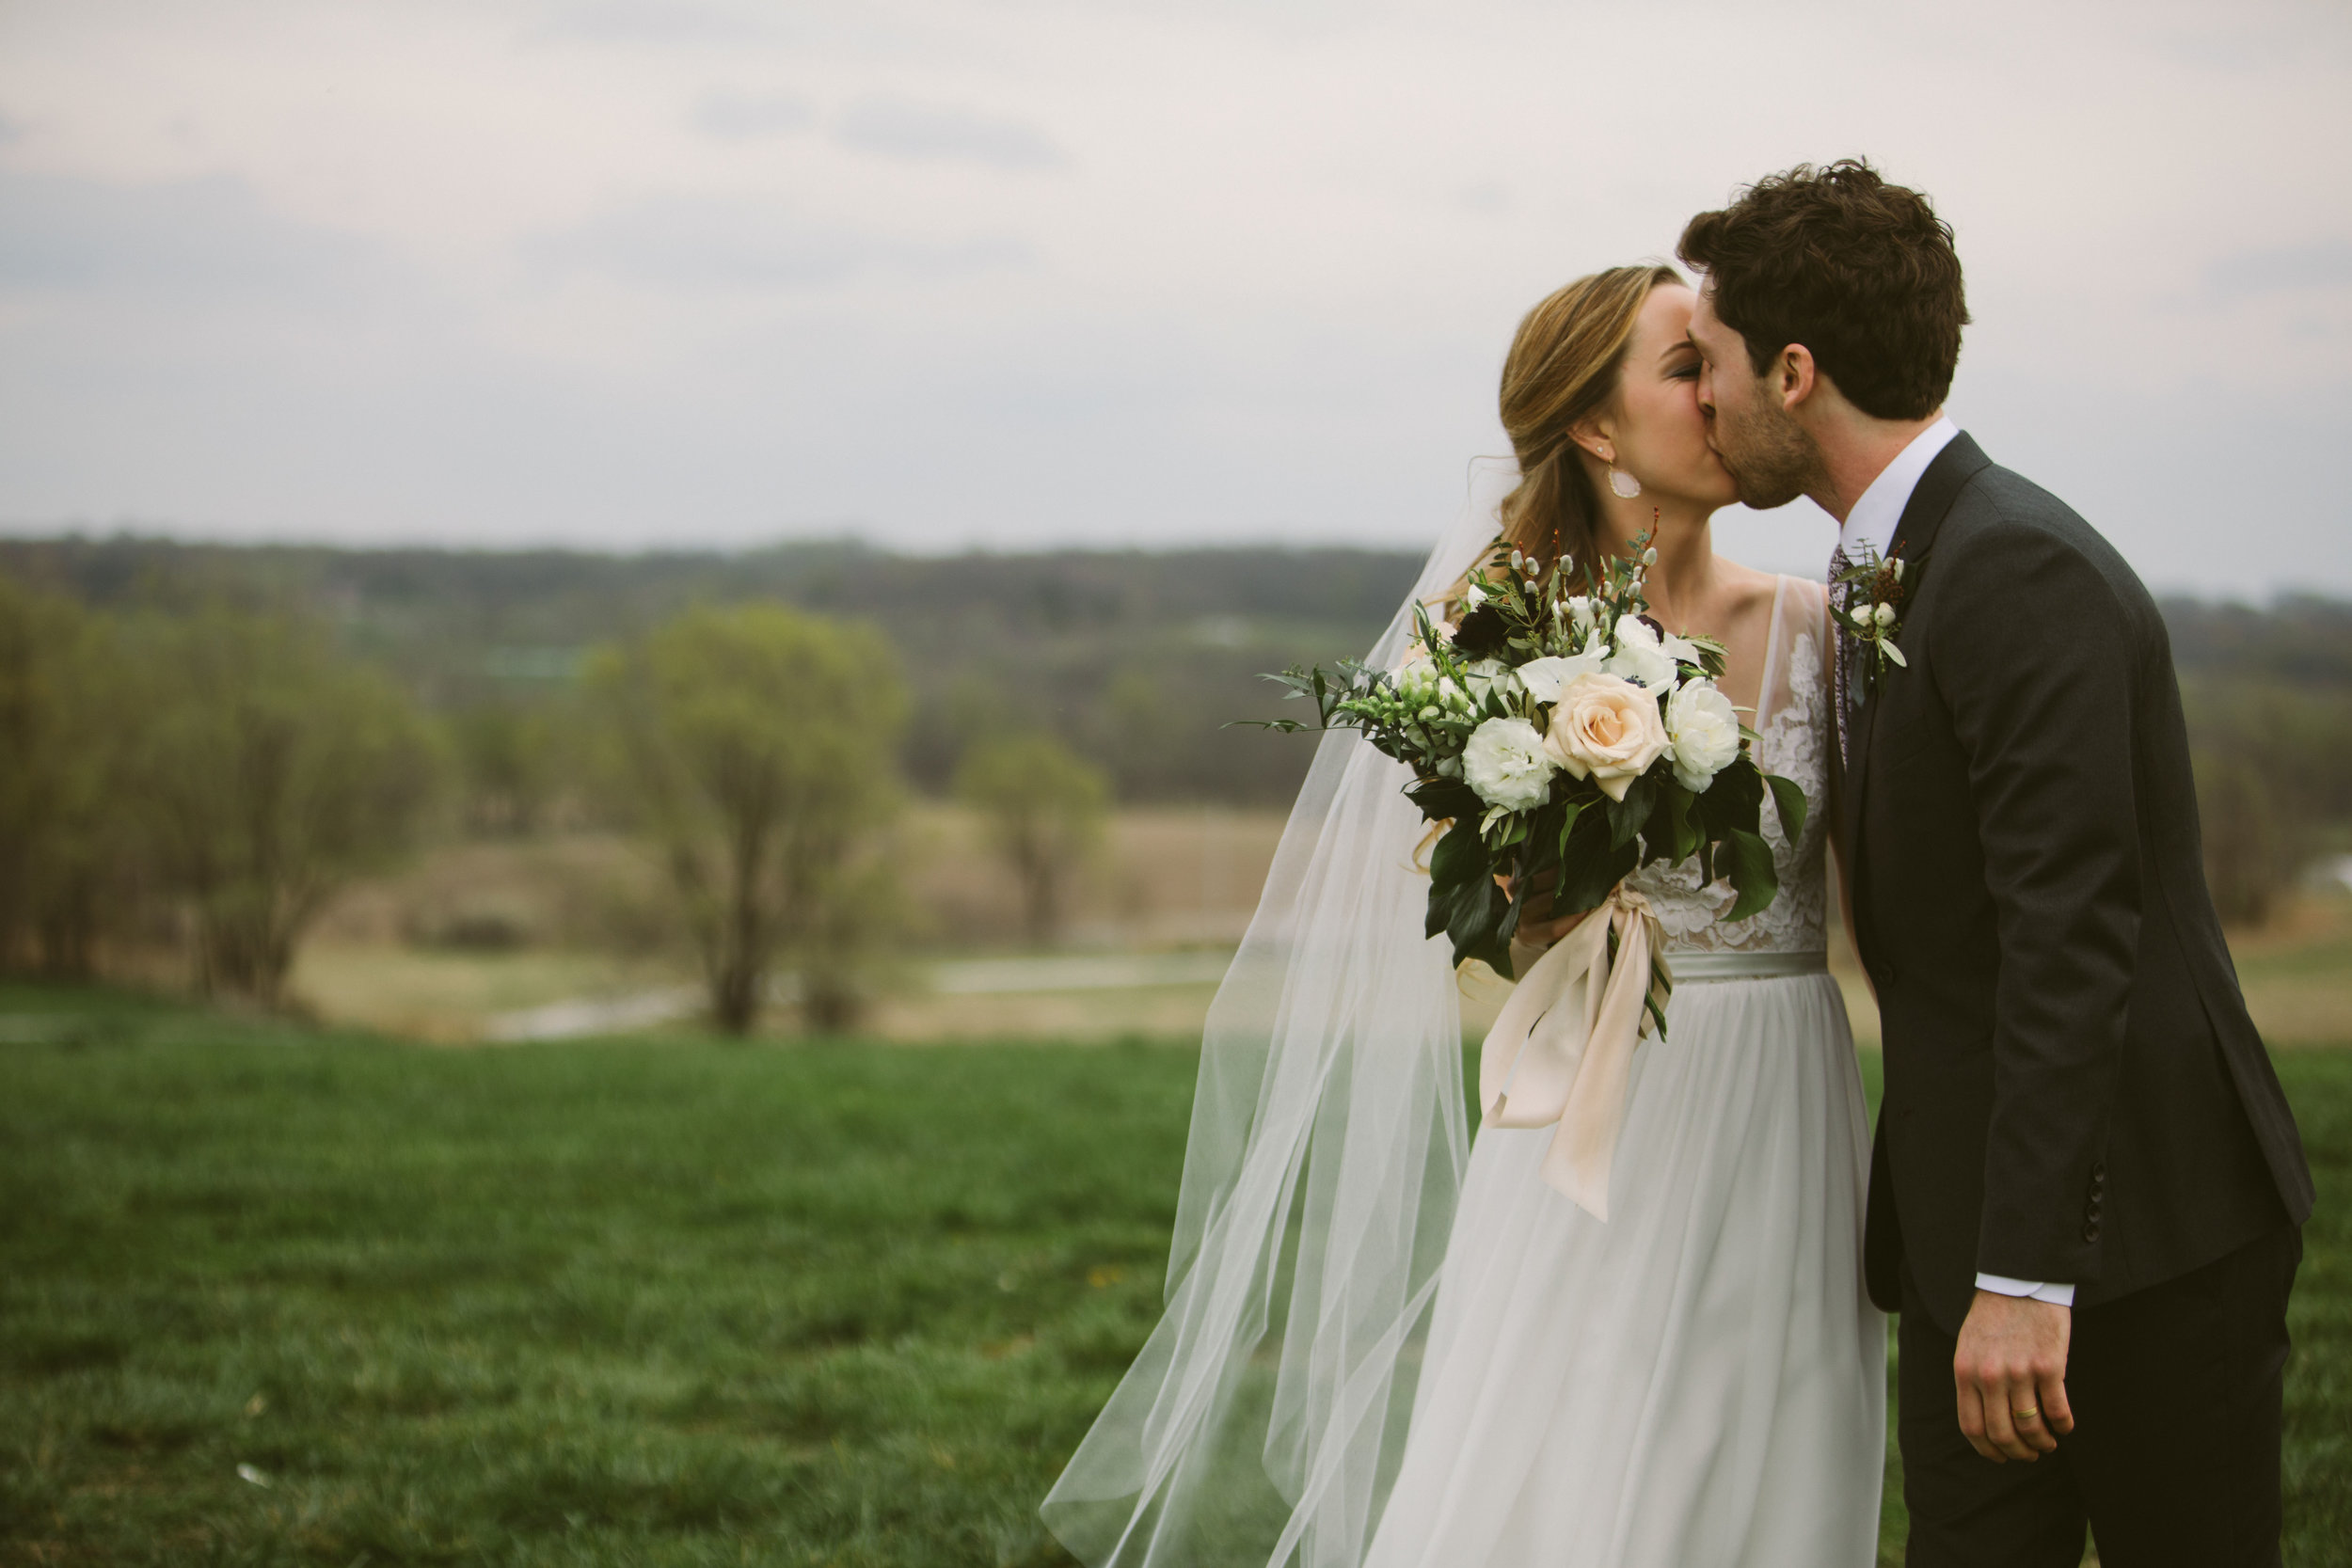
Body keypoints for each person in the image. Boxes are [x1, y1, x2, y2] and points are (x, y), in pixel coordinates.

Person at [1041, 263, 1885, 1567]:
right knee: (1577, 1454)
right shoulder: (1494, 650)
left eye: (1714, 361)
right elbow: (1501, 930)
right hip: (1609, 1098)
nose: (1718, 392)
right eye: (1683, 368)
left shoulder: (1824, 632)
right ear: (1597, 429)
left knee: (1772, 1446)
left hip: (1791, 1093)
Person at [1679, 160, 2313, 1568]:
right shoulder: (1891, 563)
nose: (1699, 398)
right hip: (1980, 1249)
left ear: (1794, 372)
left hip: (2135, 1243)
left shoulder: (2014, 569)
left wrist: (2029, 1277)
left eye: (1708, 364)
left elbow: (2069, 934)